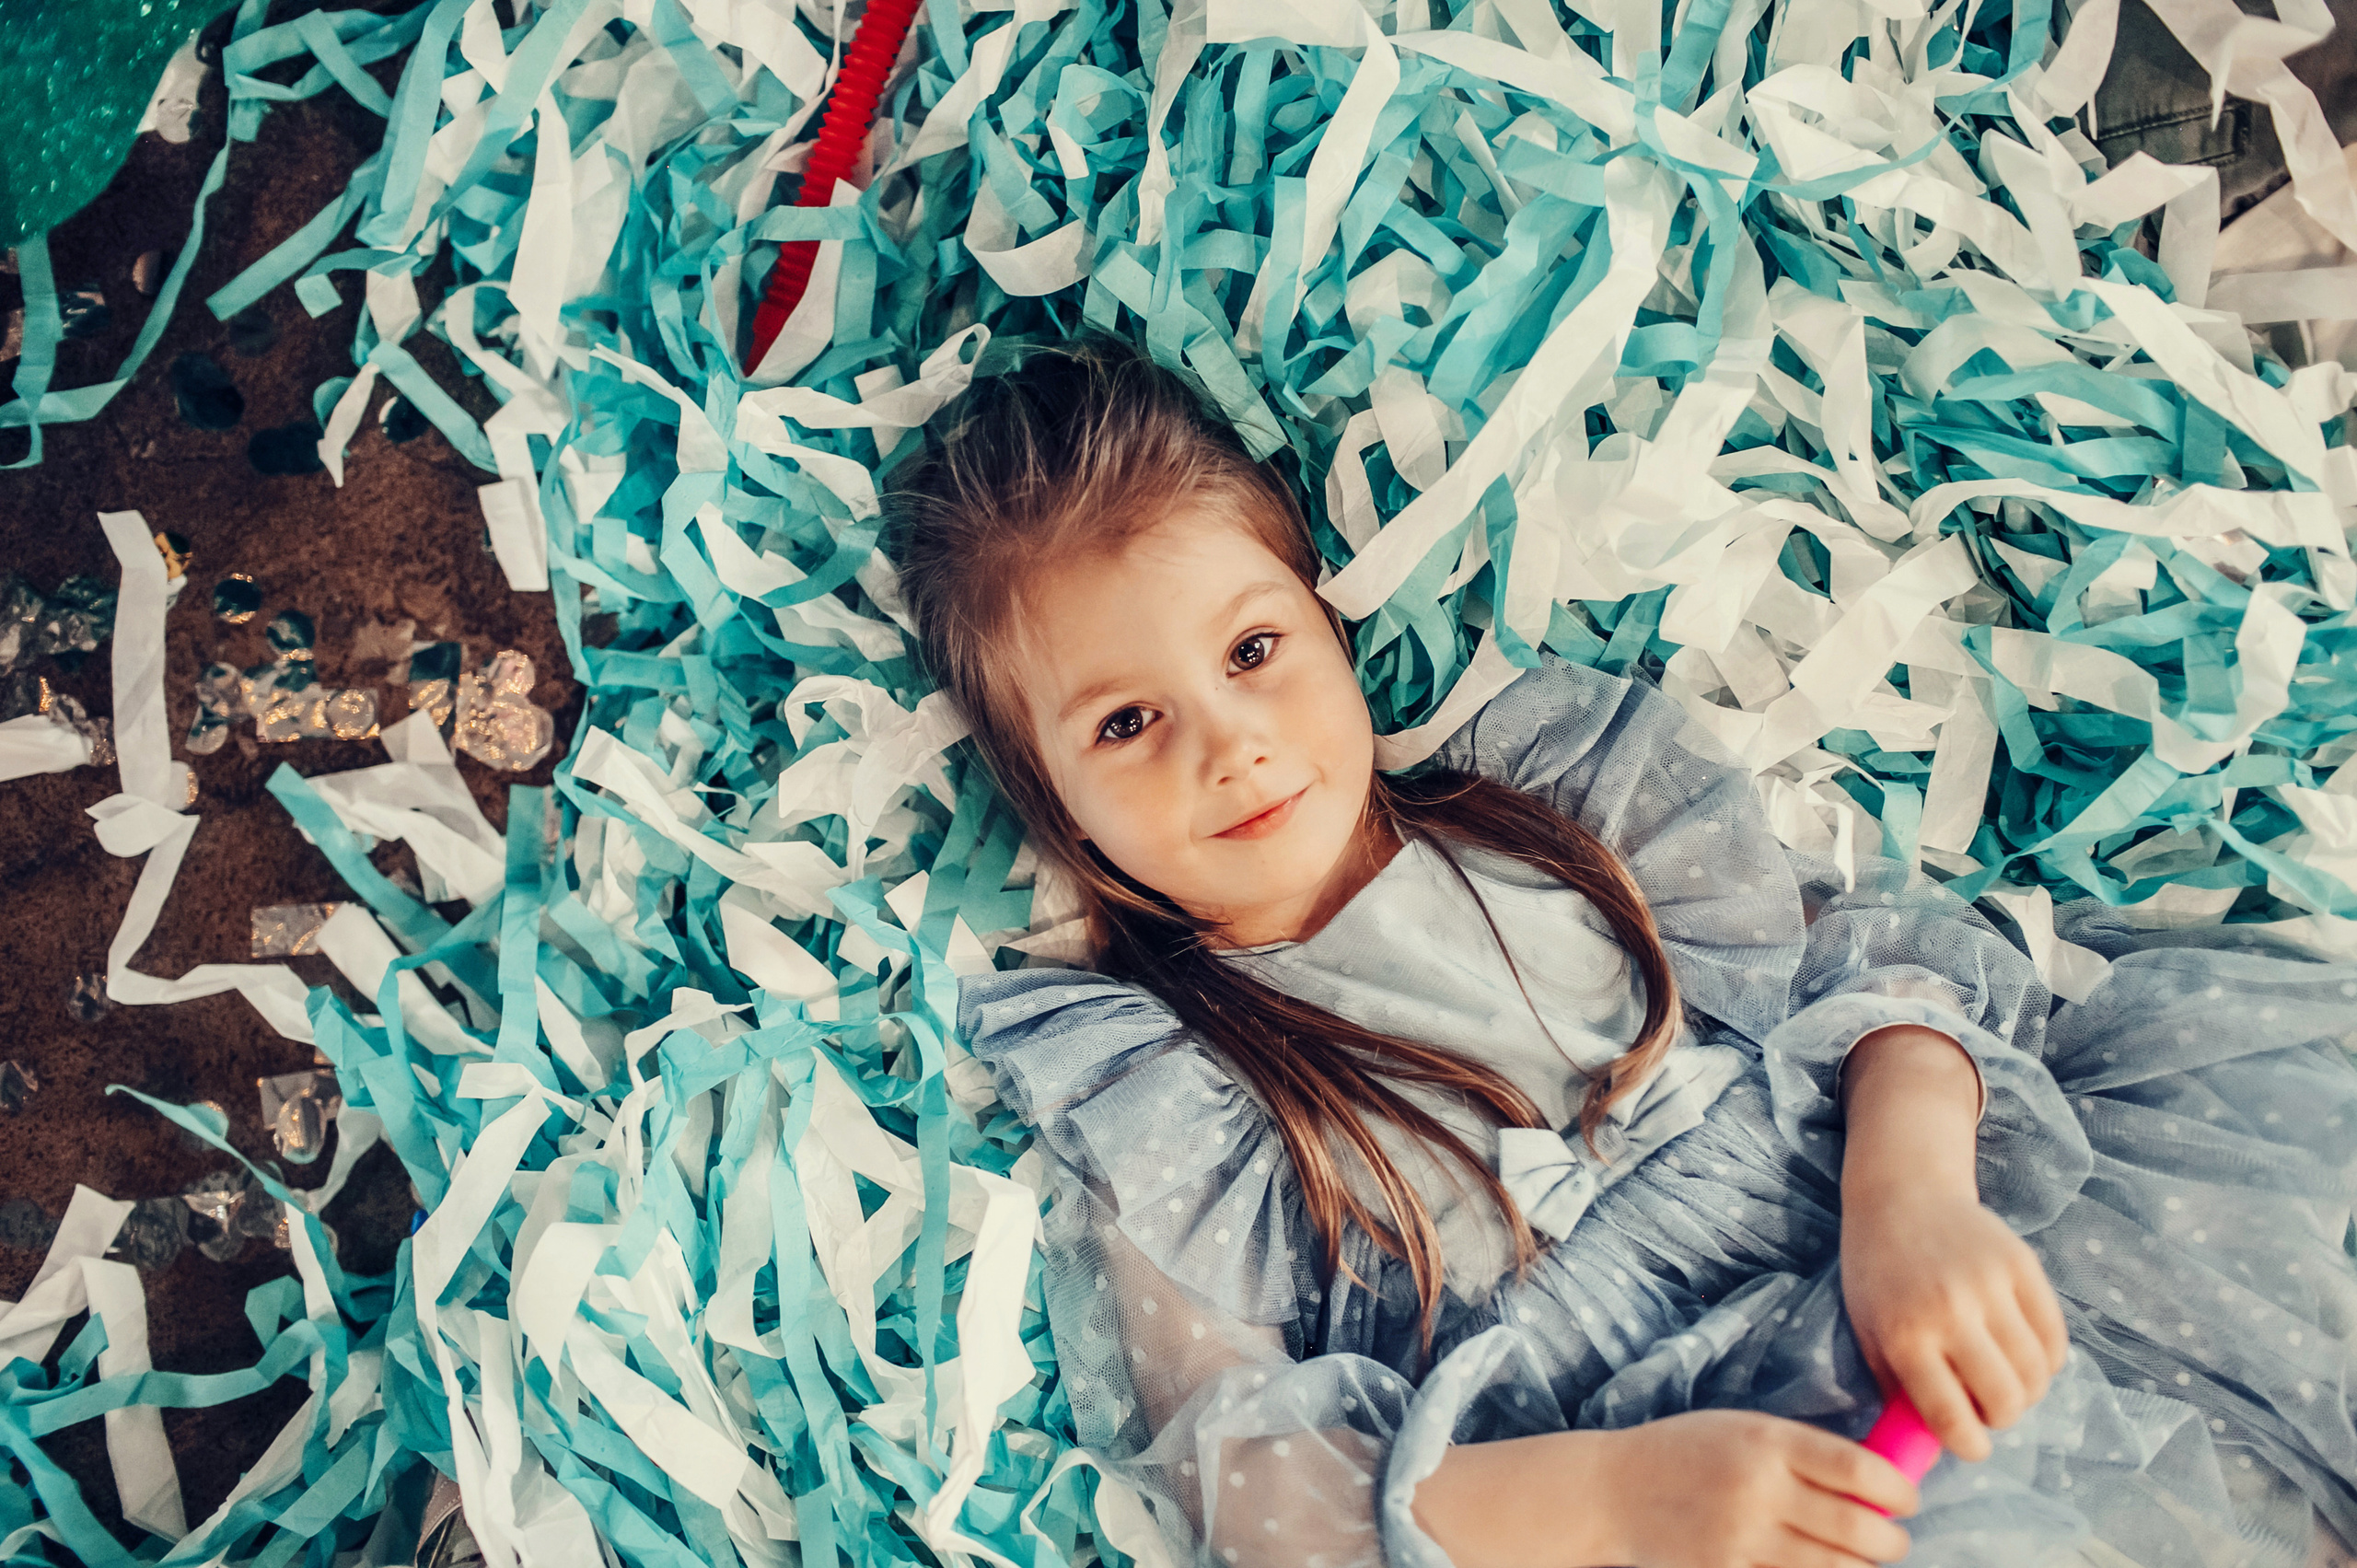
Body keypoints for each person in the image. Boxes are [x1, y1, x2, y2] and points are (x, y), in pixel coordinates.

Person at [877, 334, 2357, 1568]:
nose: (1234, 745)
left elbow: (1898, 973)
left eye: (1254, 652)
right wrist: (1613, 1499)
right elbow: (1246, 1472)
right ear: (1049, 803)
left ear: (1326, 622)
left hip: (1913, 1256)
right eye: (1126, 725)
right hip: (1648, 1486)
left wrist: (1911, 1201)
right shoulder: (1161, 1090)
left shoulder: (1563, 797)